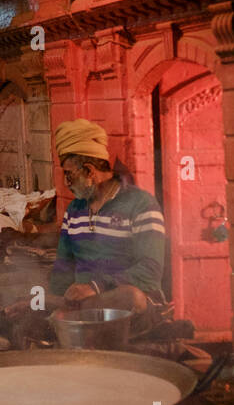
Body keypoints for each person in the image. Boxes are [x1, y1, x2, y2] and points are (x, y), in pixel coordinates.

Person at [49, 119, 165, 310]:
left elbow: (150, 269)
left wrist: (96, 287)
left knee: (131, 297)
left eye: (69, 174)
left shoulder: (141, 204)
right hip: (81, 306)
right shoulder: (74, 210)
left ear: (89, 171)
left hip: (129, 304)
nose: (66, 182)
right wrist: (52, 298)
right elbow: (63, 267)